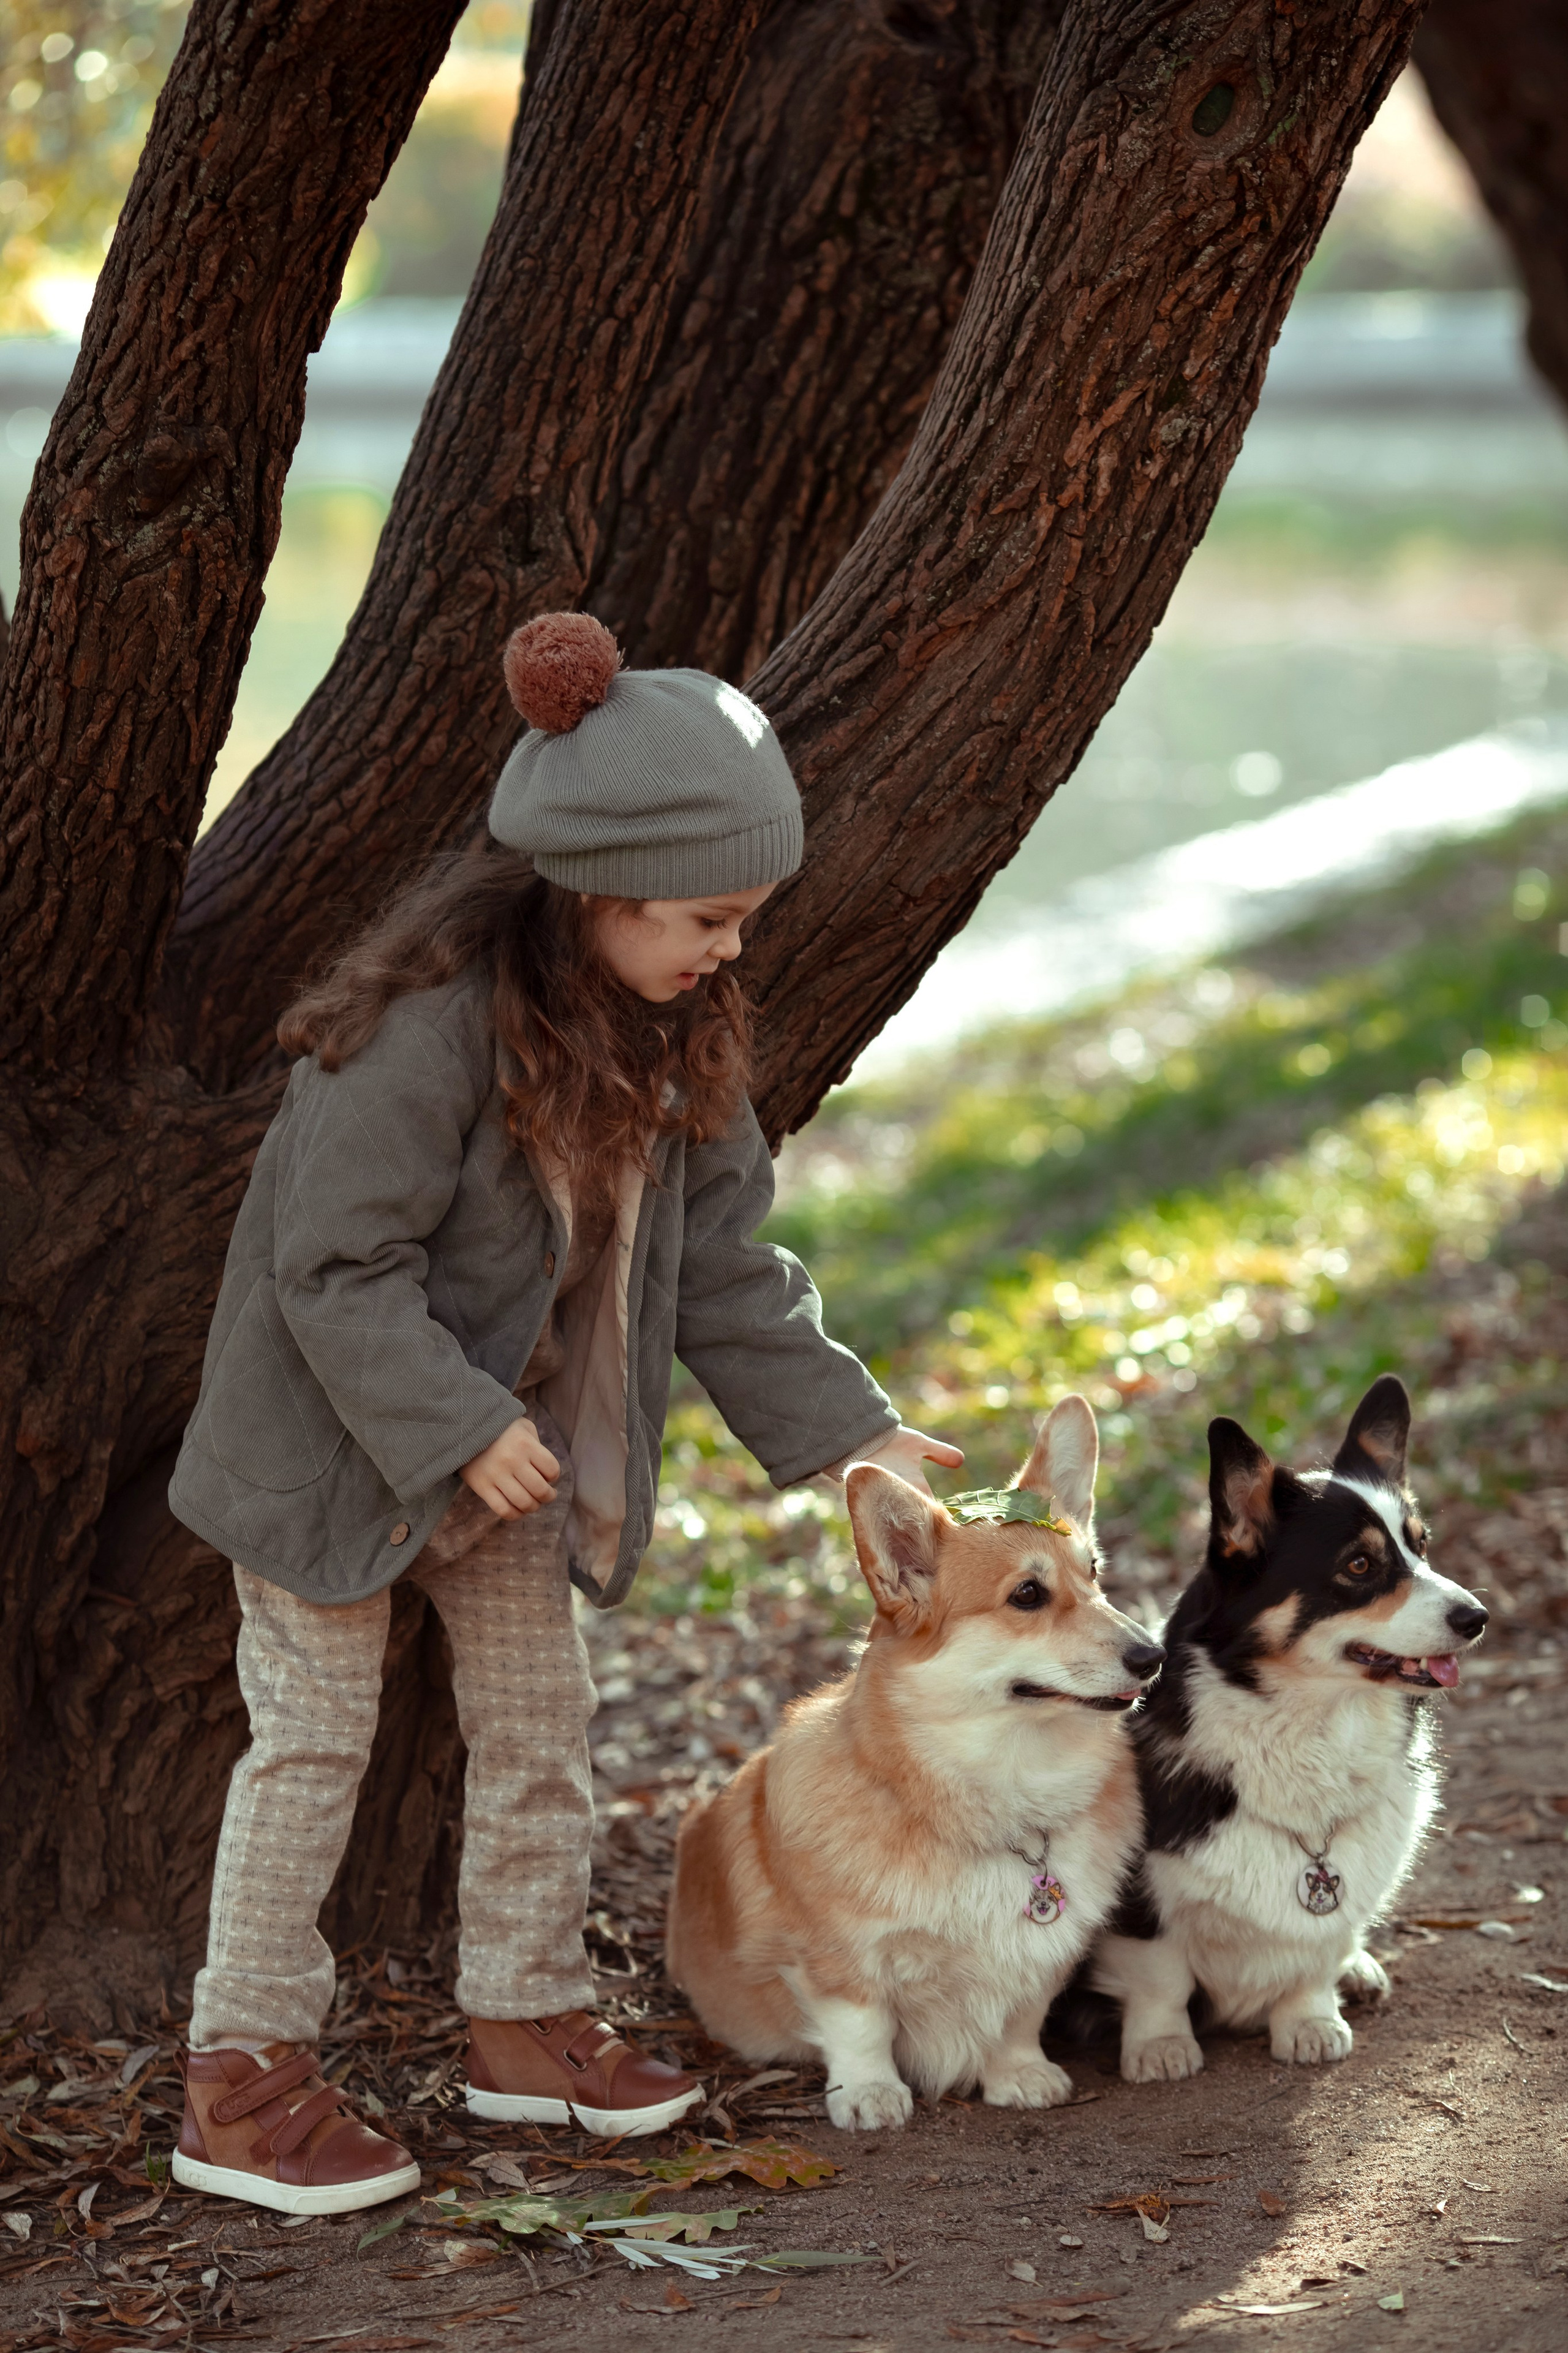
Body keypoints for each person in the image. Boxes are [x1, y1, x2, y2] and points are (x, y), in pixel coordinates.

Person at [165, 611, 963, 2215]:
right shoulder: (420, 1030)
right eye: (704, 915)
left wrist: (848, 1432)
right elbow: (334, 1270)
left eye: (744, 918)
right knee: (312, 1743)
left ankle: (521, 2016)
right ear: (596, 888)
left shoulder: (675, 1036)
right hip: (344, 1454)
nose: (728, 946)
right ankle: (240, 2074)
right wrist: (458, 1423)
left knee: (542, 1730)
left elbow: (728, 1270)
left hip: (510, 1468)